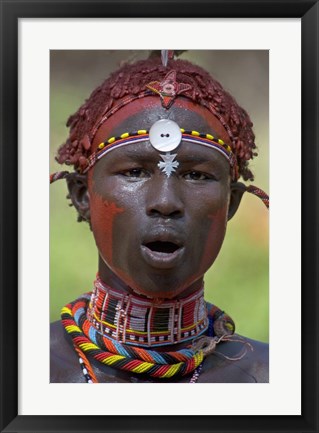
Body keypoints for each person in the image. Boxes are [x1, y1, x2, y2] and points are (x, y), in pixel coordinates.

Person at [50, 51, 269, 383]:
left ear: (231, 203)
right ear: (82, 195)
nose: (165, 202)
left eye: (197, 176)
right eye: (135, 171)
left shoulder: (274, 379)